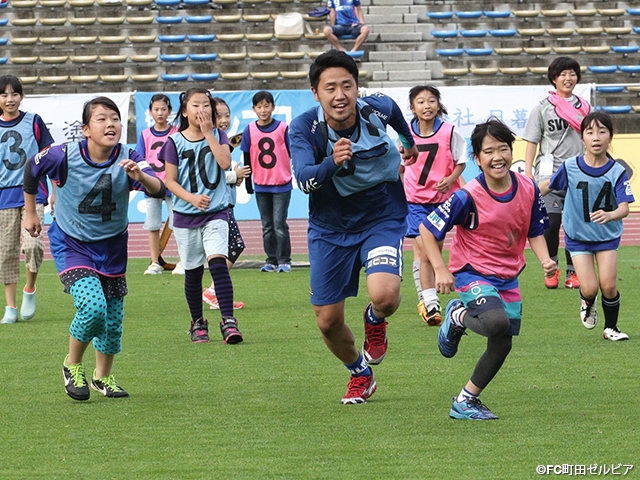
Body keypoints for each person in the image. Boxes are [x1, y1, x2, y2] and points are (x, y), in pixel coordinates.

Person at [289, 50, 419, 404]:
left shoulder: (377, 107)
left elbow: (396, 114)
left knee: (385, 296)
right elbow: (303, 180)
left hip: (382, 216)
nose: (340, 94)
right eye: (330, 87)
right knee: (328, 322)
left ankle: (375, 319)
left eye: (347, 85)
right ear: (316, 93)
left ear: (357, 87)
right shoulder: (304, 128)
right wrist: (331, 163)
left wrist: (409, 145)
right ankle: (360, 373)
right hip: (330, 228)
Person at [23, 96, 165, 400]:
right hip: (71, 242)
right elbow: (31, 169)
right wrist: (30, 211)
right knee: (93, 307)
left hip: (113, 245)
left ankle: (104, 377)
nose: (110, 123)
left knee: (113, 321)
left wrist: (140, 177)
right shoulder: (62, 154)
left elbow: (158, 188)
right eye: (101, 119)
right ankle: (72, 364)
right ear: (85, 129)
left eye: (114, 118)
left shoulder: (130, 155)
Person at [420, 118, 556, 420]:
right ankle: (458, 315)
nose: (498, 156)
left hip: (508, 276)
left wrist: (545, 259)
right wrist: (441, 269)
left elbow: (534, 230)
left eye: (504, 148)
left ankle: (465, 400)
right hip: (472, 271)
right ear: (478, 159)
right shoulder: (466, 196)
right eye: (489, 151)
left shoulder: (528, 188)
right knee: (495, 323)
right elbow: (427, 230)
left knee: (503, 341)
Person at [540, 111, 633, 341]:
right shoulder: (570, 166)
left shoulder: (617, 171)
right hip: (578, 236)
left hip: (607, 236)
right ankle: (587, 301)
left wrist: (610, 215)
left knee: (609, 286)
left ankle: (611, 328)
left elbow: (625, 208)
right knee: (590, 288)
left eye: (602, 131)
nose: (596, 137)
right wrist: (522, 195)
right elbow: (549, 186)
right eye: (590, 132)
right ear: (582, 138)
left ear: (610, 136)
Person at [160, 88, 243, 345]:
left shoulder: (218, 135)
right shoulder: (174, 143)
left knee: (218, 263)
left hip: (216, 212)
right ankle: (197, 322)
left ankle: (228, 321)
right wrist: (191, 198)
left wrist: (209, 133)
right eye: (195, 105)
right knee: (193, 273)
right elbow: (170, 182)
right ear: (185, 111)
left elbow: (225, 163)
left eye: (206, 105)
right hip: (185, 216)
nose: (202, 110)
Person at [522, 56, 590, 290]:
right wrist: (529, 171)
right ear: (554, 79)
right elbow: (532, 141)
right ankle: (553, 267)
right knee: (550, 223)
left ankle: (574, 272)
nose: (568, 78)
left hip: (577, 172)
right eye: (563, 74)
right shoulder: (542, 108)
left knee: (574, 225)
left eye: (572, 73)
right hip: (548, 175)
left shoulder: (584, 107)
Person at [402, 85, 466, 326]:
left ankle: (426, 299)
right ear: (412, 108)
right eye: (420, 102)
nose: (426, 106)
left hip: (440, 202)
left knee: (430, 253)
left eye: (431, 101)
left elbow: (460, 161)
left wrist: (450, 180)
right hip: (414, 201)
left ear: (438, 105)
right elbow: (400, 163)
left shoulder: (449, 132)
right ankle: (430, 303)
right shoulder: (405, 133)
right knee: (425, 250)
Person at [0, 75, 54, 325]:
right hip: (4, 196)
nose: (9, 99)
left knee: (33, 245)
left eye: (14, 94)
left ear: (21, 96)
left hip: (34, 192)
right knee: (6, 252)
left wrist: (56, 190)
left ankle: (30, 288)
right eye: (4, 94)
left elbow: (50, 155)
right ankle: (10, 306)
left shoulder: (34, 121)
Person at [202, 97, 250, 310]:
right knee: (234, 245)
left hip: (225, 203)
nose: (224, 120)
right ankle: (213, 291)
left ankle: (215, 292)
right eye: (218, 115)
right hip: (217, 205)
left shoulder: (222, 140)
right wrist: (233, 175)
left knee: (231, 247)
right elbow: (213, 174)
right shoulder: (210, 140)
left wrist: (234, 177)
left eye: (227, 115)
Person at [241, 91, 293, 273]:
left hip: (281, 183)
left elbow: (292, 152)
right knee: (267, 225)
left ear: (273, 107)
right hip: (261, 184)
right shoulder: (249, 130)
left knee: (279, 223)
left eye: (266, 105)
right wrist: (248, 182)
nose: (263, 110)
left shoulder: (282, 128)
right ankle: (271, 259)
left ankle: (284, 260)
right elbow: (247, 156)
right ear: (254, 109)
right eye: (259, 106)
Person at [135, 93, 179, 276]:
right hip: (152, 186)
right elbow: (140, 159)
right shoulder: (145, 134)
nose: (160, 113)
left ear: (169, 111)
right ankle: (155, 262)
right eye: (156, 109)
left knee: (178, 223)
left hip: (173, 185)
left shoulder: (176, 132)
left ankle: (184, 260)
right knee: (152, 225)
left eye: (163, 109)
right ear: (150, 112)